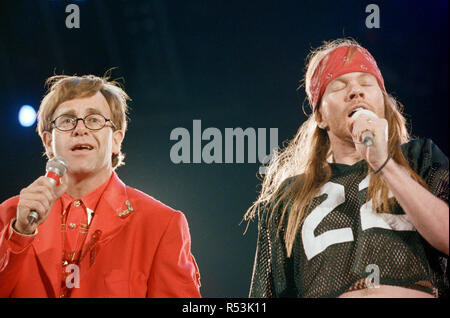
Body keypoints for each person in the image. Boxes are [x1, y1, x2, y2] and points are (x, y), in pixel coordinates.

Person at [245, 38, 448, 298]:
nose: (355, 92)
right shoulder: (290, 196)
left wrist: (384, 163)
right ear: (319, 116)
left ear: (383, 103)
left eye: (366, 83)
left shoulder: (420, 157)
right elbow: (266, 293)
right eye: (339, 86)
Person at [0, 74, 201, 298]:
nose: (80, 129)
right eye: (67, 120)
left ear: (116, 140)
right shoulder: (8, 215)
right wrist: (19, 235)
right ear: (48, 141)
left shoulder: (160, 225)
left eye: (94, 120)